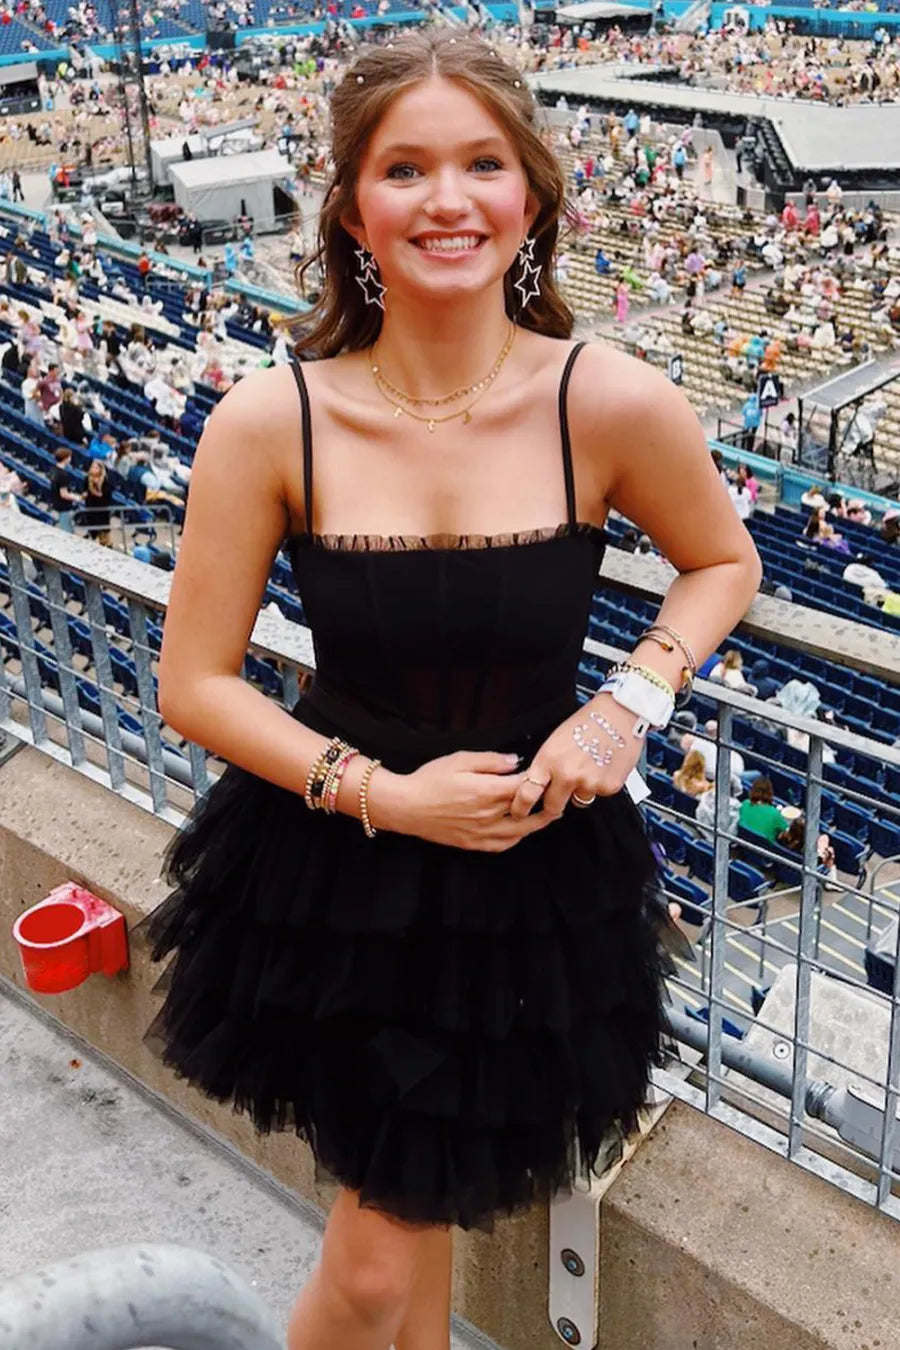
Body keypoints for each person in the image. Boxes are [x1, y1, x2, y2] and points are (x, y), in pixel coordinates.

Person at [137, 34, 762, 1347]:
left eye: (482, 164)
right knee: (381, 1267)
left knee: (405, 1245)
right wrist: (386, 796)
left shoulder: (607, 400)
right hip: (336, 879)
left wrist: (629, 703)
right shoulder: (270, 421)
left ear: (529, 197)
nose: (448, 199)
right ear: (354, 208)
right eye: (405, 168)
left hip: (530, 886)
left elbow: (722, 561)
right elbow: (192, 681)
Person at [738, 776, 789, 843]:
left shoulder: (745, 803)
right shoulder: (775, 814)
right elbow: (787, 831)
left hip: (741, 845)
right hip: (762, 849)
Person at [50, 446, 82, 532]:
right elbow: (64, 494)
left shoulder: (53, 469)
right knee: (67, 531)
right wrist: (76, 497)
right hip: (64, 507)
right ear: (65, 458)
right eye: (69, 456)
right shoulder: (63, 475)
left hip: (56, 502)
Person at [83, 458, 114, 545]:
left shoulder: (106, 481)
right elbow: (85, 491)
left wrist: (97, 488)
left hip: (102, 510)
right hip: (91, 509)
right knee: (93, 531)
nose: (93, 469)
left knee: (104, 534)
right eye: (92, 467)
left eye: (96, 468)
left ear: (101, 469)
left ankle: (108, 544)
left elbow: (107, 498)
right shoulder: (87, 479)